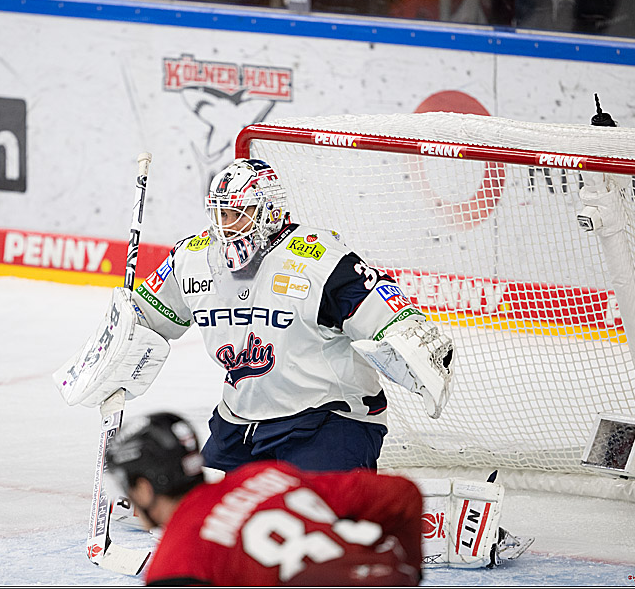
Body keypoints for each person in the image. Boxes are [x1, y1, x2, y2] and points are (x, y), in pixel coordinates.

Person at [55, 158, 453, 474]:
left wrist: (412, 343)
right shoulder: (193, 259)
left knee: (313, 521)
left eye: (237, 214)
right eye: (219, 214)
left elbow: (387, 312)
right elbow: (145, 319)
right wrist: (117, 345)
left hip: (328, 419)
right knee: (201, 515)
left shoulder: (319, 260)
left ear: (270, 212)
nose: (225, 227)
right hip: (240, 423)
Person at [106, 411, 424, 585]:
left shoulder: (174, 562)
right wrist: (410, 572)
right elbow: (403, 493)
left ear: (144, 489)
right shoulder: (263, 475)